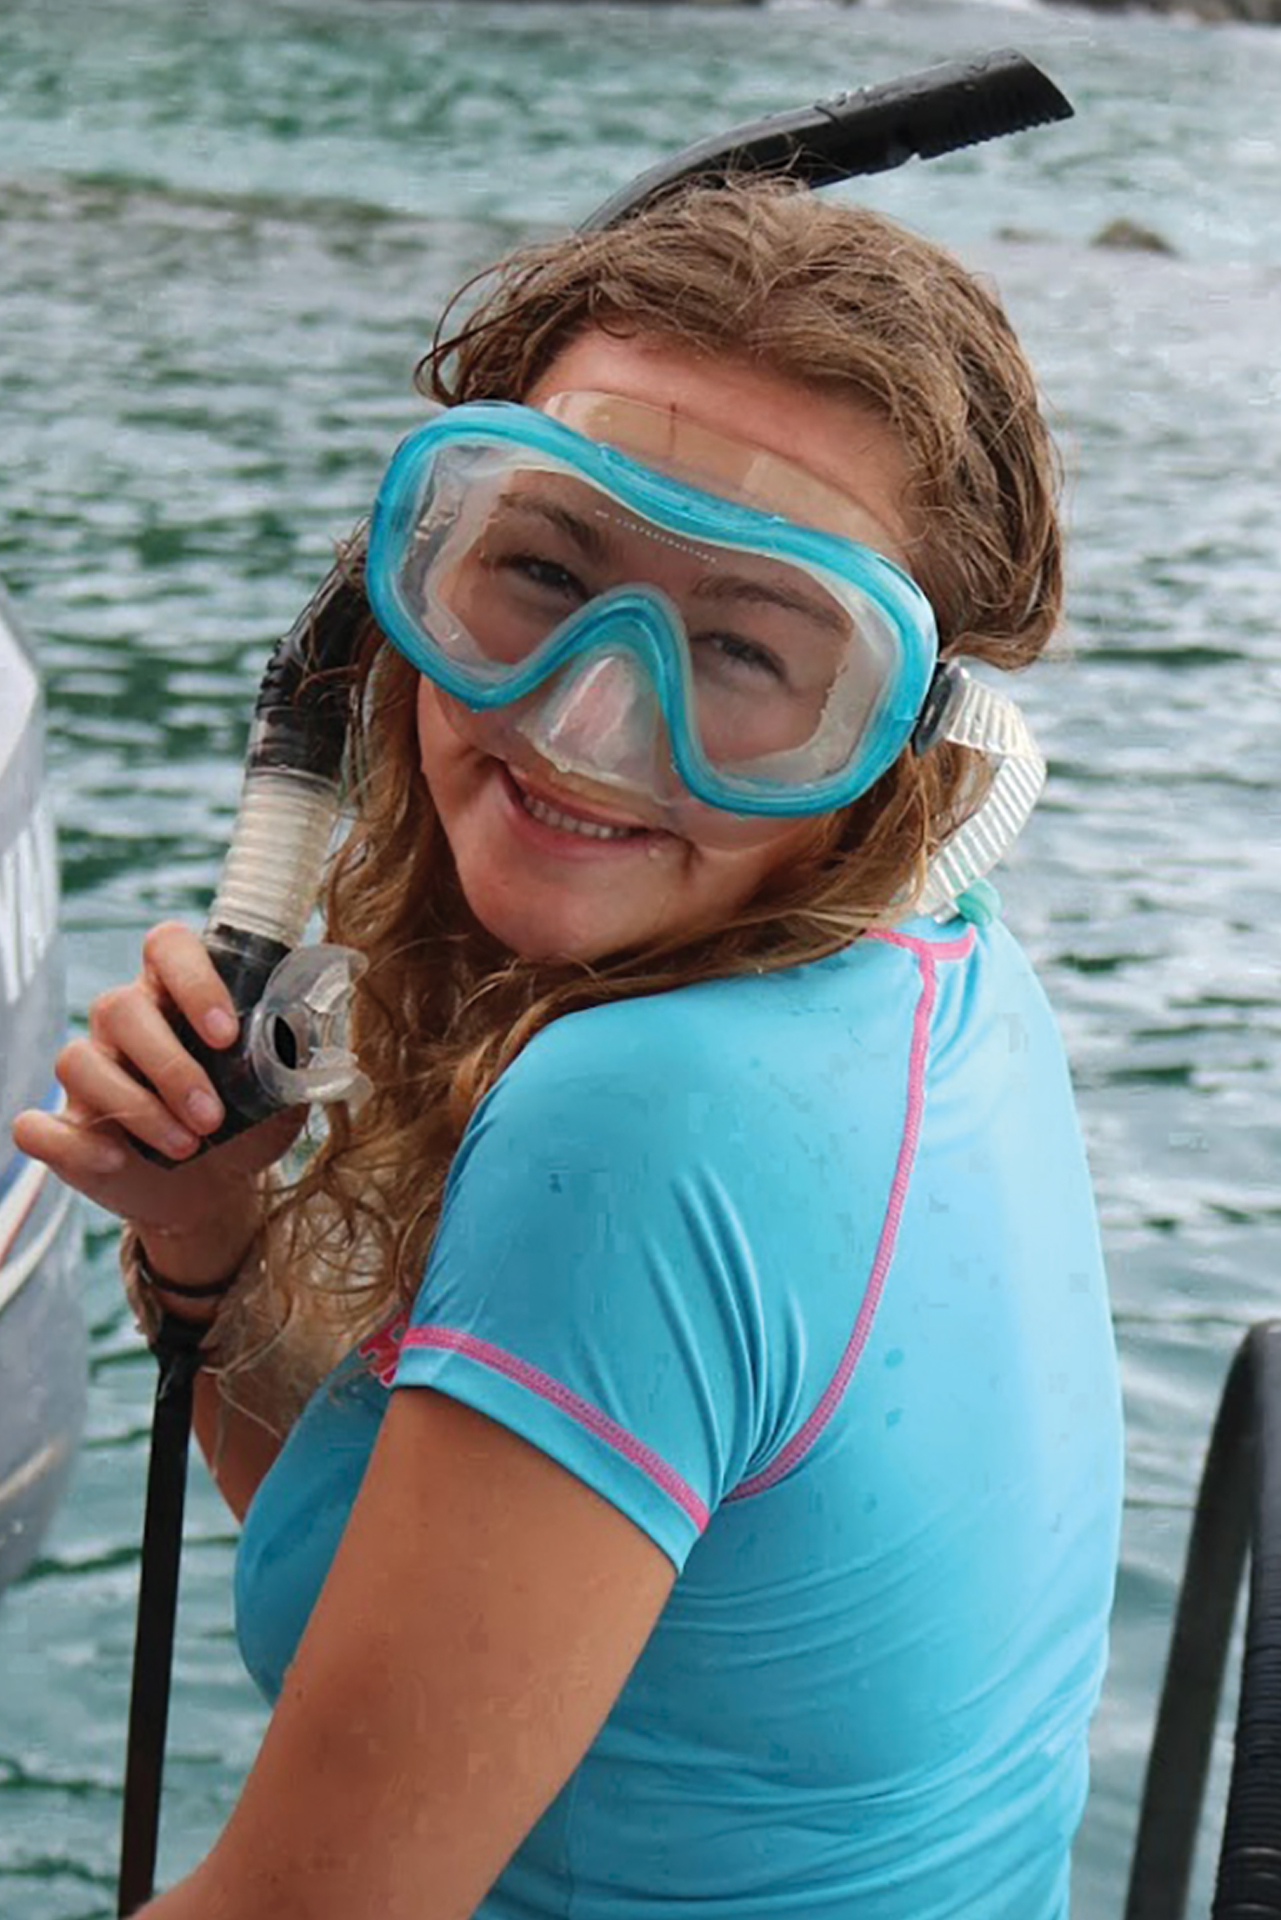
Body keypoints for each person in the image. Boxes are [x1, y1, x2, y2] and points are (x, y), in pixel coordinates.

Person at [13, 180, 1123, 1920]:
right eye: (541, 572)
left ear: (905, 741)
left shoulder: (653, 1115)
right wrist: (213, 1232)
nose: (584, 720)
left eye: (748, 649)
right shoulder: (931, 977)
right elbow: (418, 1582)